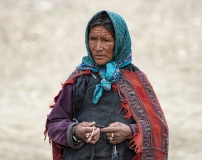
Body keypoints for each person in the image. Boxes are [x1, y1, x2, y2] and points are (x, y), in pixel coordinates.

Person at [44, 10, 169, 160]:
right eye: (93, 39)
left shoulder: (136, 80)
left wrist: (129, 131)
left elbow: (157, 129)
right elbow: (54, 123)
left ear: (119, 42)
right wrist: (76, 130)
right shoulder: (79, 79)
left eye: (106, 40)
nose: (97, 47)